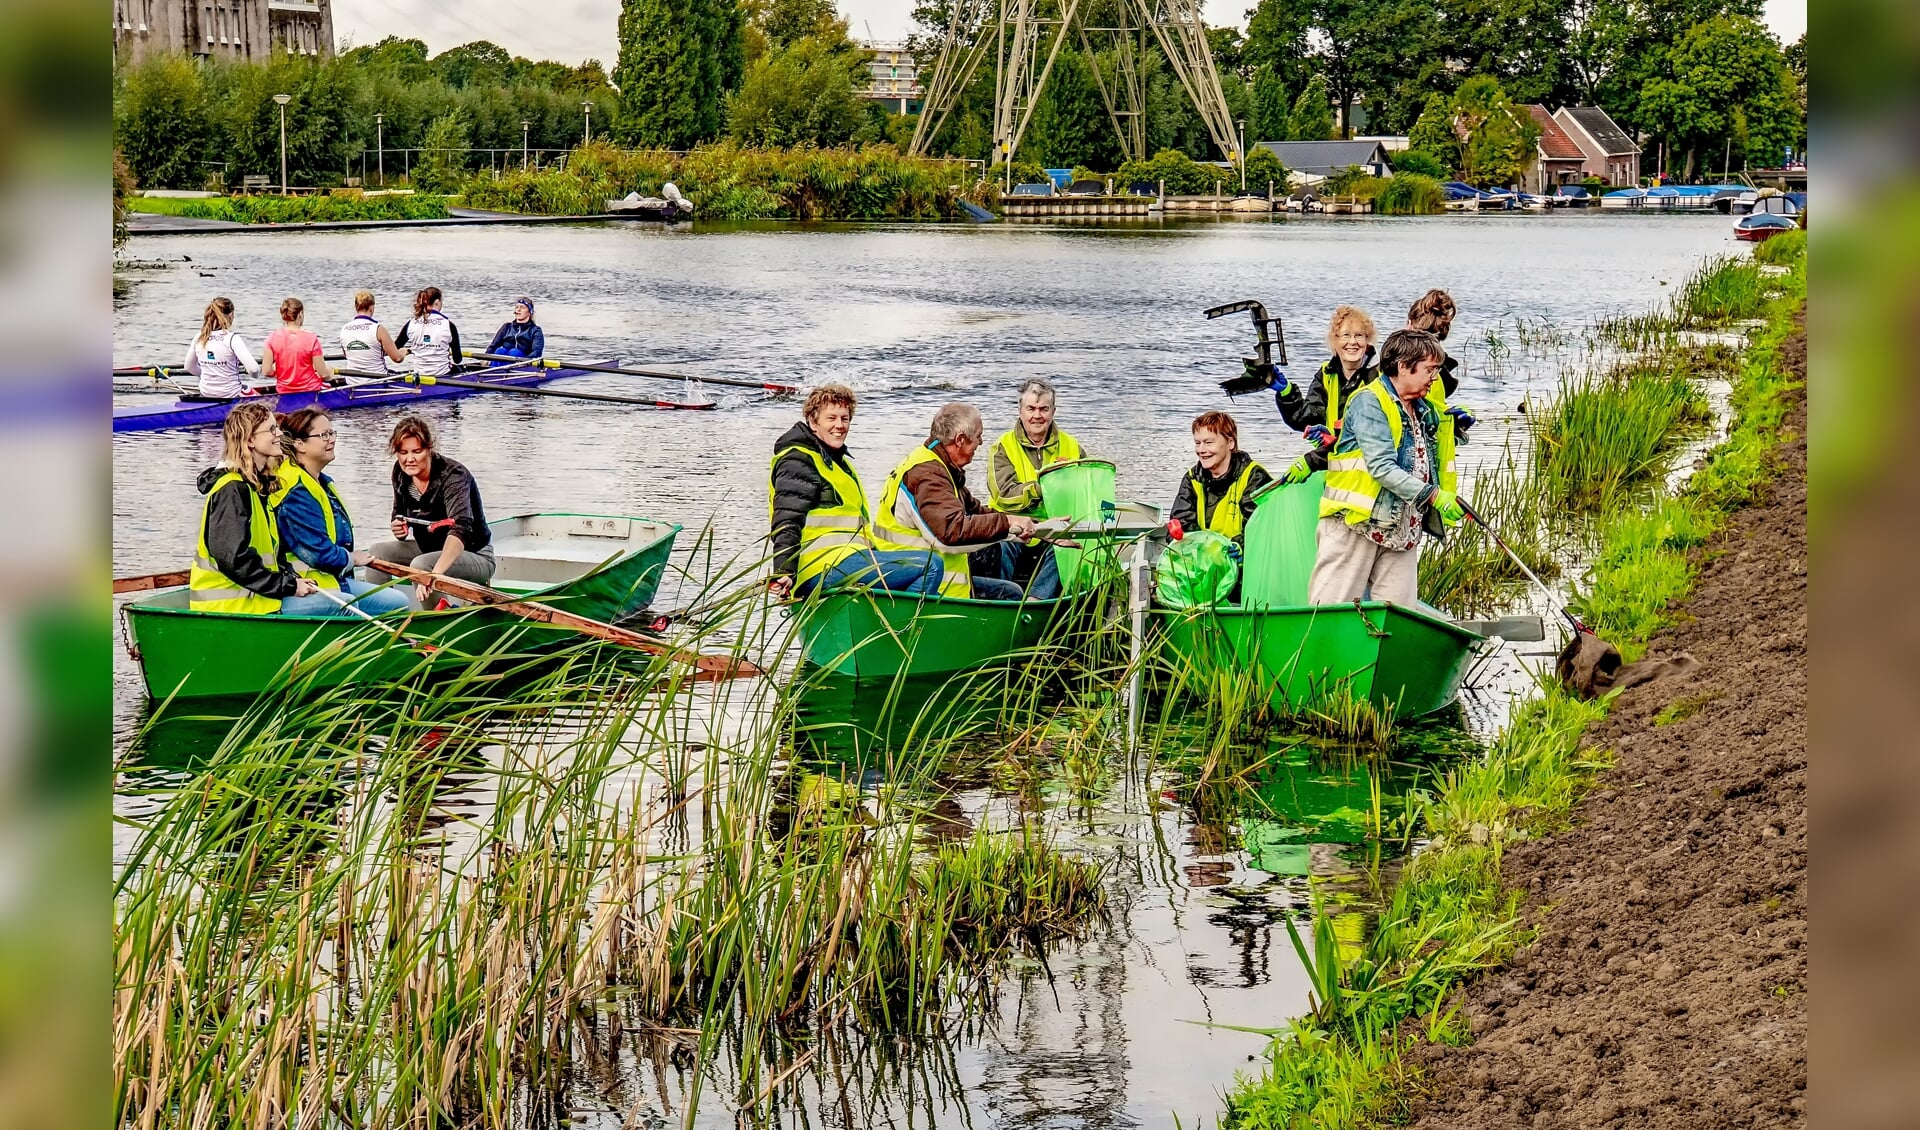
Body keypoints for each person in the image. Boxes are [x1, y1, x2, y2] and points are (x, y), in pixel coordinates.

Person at [1307, 328, 1463, 606]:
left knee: (1398, 616)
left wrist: (1458, 427)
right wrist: (1435, 496)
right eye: (1429, 369)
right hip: (1354, 523)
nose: (1435, 377)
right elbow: (1381, 467)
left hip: (1402, 526)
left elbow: (1423, 455)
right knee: (1332, 612)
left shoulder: (1424, 409)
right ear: (1403, 366)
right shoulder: (1369, 402)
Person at [766, 384, 941, 598]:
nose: (839, 425)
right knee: (930, 565)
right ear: (813, 421)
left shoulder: (837, 463)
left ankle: (885, 624)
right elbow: (787, 520)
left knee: (918, 570)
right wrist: (784, 571)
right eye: (831, 418)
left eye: (845, 418)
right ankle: (902, 630)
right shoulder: (798, 460)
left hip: (843, 562)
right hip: (821, 568)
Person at [869, 402, 1056, 602]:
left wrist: (1041, 529)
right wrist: (1007, 523)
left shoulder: (936, 463)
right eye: (978, 436)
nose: (981, 442)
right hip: (929, 588)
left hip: (928, 578)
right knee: (1010, 595)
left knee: (1009, 590)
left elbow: (976, 512)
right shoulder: (928, 476)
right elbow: (951, 532)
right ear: (960, 440)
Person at [269, 407, 412, 616]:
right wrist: (351, 559)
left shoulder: (320, 482)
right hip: (308, 583)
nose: (332, 440)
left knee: (398, 600)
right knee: (395, 603)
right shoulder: (295, 489)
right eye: (323, 435)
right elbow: (317, 553)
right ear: (300, 444)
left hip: (327, 578)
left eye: (332, 433)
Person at [188, 401, 316, 613]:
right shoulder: (232, 489)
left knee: (339, 601)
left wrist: (292, 578)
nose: (279, 435)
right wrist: (288, 586)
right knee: (343, 608)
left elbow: (271, 552)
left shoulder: (256, 484)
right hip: (231, 606)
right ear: (250, 440)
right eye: (272, 429)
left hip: (255, 597)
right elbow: (233, 559)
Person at [364, 414, 496, 604]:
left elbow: (460, 531)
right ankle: (383, 615)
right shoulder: (401, 473)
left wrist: (434, 575)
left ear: (429, 449)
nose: (409, 459)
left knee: (421, 566)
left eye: (416, 451)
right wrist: (398, 527)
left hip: (473, 554)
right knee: (376, 552)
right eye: (403, 452)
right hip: (429, 548)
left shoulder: (453, 476)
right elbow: (399, 512)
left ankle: (436, 622)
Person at [984, 376, 1077, 591]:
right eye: (1031, 408)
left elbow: (1082, 492)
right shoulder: (1002, 447)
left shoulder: (1072, 447)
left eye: (1043, 409)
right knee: (1000, 545)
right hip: (1013, 525)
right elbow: (1004, 496)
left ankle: (1038, 603)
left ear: (1053, 411)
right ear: (1020, 411)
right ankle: (1000, 599)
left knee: (1072, 546)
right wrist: (1044, 485)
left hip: (1053, 527)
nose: (1037, 415)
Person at [1272, 305, 1378, 481]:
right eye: (1346, 335)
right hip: (1336, 469)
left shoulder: (1380, 376)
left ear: (1367, 341)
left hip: (1369, 473)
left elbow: (1366, 434)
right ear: (1334, 341)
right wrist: (1286, 392)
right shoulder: (1327, 373)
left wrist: (1314, 459)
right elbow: (1308, 418)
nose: (1353, 342)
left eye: (1359, 335)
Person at [1404, 289, 1473, 525]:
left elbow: (1430, 430)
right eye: (1419, 337)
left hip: (1430, 485)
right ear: (1408, 326)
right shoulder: (1388, 375)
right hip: (1406, 485)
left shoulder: (1439, 379)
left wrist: (1455, 426)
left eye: (1432, 339)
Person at [1169, 411, 1272, 542]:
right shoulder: (1192, 478)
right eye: (1197, 443)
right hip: (1202, 557)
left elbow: (1260, 529)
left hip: (1242, 557)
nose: (1201, 449)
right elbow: (1181, 522)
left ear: (1230, 443)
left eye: (1208, 442)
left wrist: (1236, 547)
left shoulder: (1254, 477)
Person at [183, 297, 261, 399]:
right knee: (264, 404)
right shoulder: (232, 338)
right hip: (231, 393)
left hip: (206, 392)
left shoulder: (199, 337)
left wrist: (211, 376)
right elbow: (254, 369)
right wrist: (255, 376)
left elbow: (189, 367)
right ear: (231, 315)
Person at [261, 297, 329, 395]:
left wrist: (279, 373)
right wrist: (330, 374)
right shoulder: (312, 338)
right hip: (310, 390)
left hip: (284, 391)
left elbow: (266, 371)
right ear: (300, 314)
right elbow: (323, 374)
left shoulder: (272, 337)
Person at [338, 290, 410, 382]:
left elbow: (347, 355)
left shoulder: (344, 329)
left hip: (352, 382)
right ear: (371, 308)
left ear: (356, 307)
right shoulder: (379, 329)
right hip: (378, 380)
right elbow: (397, 358)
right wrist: (403, 352)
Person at [394, 287, 462, 376]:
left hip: (419, 373)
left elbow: (395, 347)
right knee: (460, 369)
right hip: (443, 373)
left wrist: (410, 350)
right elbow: (457, 359)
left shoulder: (411, 323)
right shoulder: (449, 325)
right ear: (437, 303)